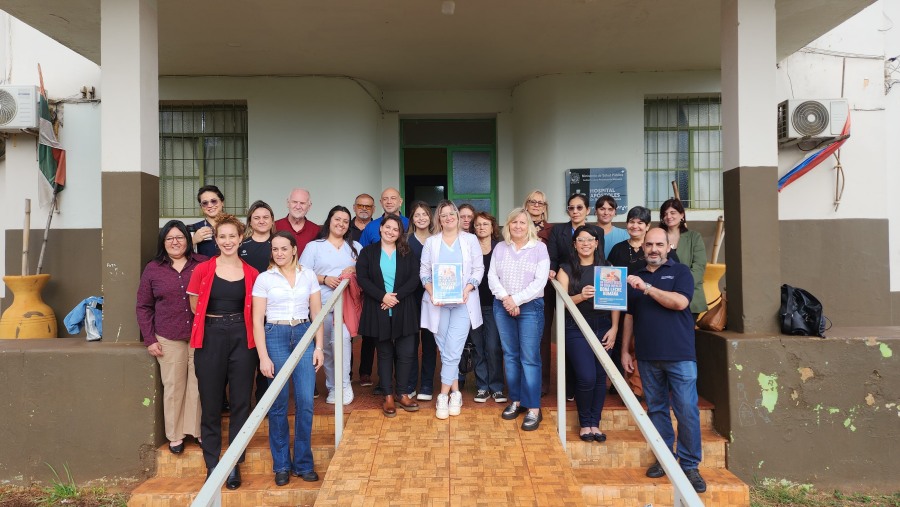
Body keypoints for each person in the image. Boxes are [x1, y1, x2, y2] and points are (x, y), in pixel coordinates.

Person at [621, 227, 706, 494]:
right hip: (647, 356)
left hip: (679, 356)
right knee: (656, 409)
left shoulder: (680, 272)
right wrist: (625, 350)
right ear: (643, 247)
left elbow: (680, 303)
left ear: (669, 247)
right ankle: (664, 457)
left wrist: (647, 288)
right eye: (649, 245)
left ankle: (690, 465)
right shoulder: (636, 276)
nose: (654, 249)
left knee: (687, 410)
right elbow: (630, 316)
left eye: (659, 244)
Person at [187, 214, 259, 490]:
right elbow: (196, 307)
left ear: (241, 239)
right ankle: (213, 465)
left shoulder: (252, 273)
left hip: (243, 336)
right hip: (211, 336)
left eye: (232, 236)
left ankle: (233, 465)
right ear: (216, 240)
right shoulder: (203, 270)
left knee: (241, 402)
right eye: (222, 236)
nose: (227, 241)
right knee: (212, 403)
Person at [251, 231, 324, 486]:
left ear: (294, 249)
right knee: (278, 403)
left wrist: (319, 346)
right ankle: (281, 464)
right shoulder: (264, 279)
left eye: (284, 248)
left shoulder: (309, 275)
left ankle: (303, 463)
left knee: (305, 401)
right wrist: (263, 356)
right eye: (275, 249)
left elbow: (317, 313)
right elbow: (257, 322)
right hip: (275, 335)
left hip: (303, 332)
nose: (279, 253)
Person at [136, 220, 206, 456]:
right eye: (170, 238)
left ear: (188, 240)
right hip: (168, 336)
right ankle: (175, 436)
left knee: (199, 385)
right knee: (174, 386)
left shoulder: (203, 264)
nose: (175, 242)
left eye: (180, 237)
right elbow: (144, 306)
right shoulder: (153, 269)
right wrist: (150, 339)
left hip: (200, 335)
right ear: (163, 243)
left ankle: (196, 431)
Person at [420, 200, 484, 420]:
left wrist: (468, 288)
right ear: (438, 219)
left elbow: (478, 268)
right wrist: (432, 292)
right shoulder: (431, 242)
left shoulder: (470, 240)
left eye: (452, 214)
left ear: (458, 217)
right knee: (448, 351)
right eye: (443, 215)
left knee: (453, 348)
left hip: (463, 303)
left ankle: (442, 395)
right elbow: (424, 272)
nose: (448, 218)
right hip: (437, 304)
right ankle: (456, 393)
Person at [488, 207, 549, 430]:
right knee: (510, 355)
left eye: (523, 223)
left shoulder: (539, 248)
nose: (518, 226)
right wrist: (507, 299)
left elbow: (540, 282)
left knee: (529, 358)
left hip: (530, 307)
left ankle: (533, 408)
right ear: (508, 225)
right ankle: (516, 401)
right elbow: (492, 276)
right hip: (503, 305)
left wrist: (517, 300)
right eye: (514, 222)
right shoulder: (500, 248)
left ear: (529, 226)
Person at [556, 225, 618, 442]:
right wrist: (581, 296)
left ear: (596, 243)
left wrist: (615, 328)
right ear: (574, 244)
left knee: (601, 377)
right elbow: (561, 304)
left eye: (589, 239)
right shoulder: (566, 269)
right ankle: (584, 424)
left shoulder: (607, 267)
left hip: (604, 326)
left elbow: (615, 303)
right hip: (576, 327)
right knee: (586, 376)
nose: (585, 244)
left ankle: (595, 423)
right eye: (580, 240)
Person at [357, 215, 422, 417]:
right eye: (388, 227)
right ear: (380, 228)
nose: (391, 231)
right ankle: (387, 396)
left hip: (404, 307)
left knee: (406, 354)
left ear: (400, 233)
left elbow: (415, 278)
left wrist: (395, 297)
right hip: (378, 308)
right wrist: (382, 296)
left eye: (396, 229)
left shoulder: (407, 252)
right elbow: (363, 278)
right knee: (384, 354)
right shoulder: (368, 252)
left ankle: (402, 394)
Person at [299, 205, 361, 405]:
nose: (341, 224)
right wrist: (324, 278)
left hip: (345, 306)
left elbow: (365, 276)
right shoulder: (314, 246)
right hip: (321, 304)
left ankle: (344, 384)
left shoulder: (355, 248)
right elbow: (303, 274)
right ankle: (332, 386)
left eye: (345, 221)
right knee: (325, 348)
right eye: (337, 219)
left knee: (341, 342)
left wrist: (353, 271)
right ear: (329, 221)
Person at [548, 193, 603, 401]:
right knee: (569, 340)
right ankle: (569, 386)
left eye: (580, 207)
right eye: (572, 208)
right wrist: (553, 271)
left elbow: (599, 258)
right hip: (567, 281)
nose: (576, 211)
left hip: (591, 288)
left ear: (587, 210)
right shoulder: (558, 230)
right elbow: (552, 256)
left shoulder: (596, 232)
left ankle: (582, 387)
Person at [471, 211, 505, 403]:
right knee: (478, 346)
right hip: (473, 304)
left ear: (493, 228)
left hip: (494, 305)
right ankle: (482, 386)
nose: (481, 227)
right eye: (478, 224)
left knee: (493, 346)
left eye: (485, 224)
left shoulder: (500, 249)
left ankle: (497, 387)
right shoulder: (469, 248)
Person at [524, 190, 555, 396]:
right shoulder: (518, 225)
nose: (536, 205)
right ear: (526, 204)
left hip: (545, 291)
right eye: (533, 202)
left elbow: (556, 256)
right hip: (519, 289)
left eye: (540, 203)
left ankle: (542, 383)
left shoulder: (553, 230)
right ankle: (523, 381)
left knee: (542, 337)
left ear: (545, 207)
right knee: (523, 338)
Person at [406, 201, 437, 400]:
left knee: (429, 342)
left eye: (425, 214)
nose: (421, 218)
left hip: (432, 297)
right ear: (412, 219)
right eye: (417, 215)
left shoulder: (438, 240)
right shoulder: (405, 241)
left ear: (430, 217)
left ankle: (426, 384)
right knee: (409, 343)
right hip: (409, 297)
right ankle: (409, 383)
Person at [659, 198, 708, 318]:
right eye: (665, 214)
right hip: (662, 295)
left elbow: (699, 266)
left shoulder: (694, 237)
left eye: (672, 213)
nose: (668, 216)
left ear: (682, 215)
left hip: (690, 296)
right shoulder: (657, 236)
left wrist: (681, 286)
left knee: (686, 335)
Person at [274, 188, 320, 255]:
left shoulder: (316, 230)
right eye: (294, 202)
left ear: (309, 206)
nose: (298, 207)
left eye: (302, 203)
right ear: (288, 203)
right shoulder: (274, 226)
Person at [240, 200, 276, 273]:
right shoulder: (241, 245)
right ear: (250, 222)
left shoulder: (279, 244)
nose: (261, 221)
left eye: (265, 217)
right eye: (257, 218)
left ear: (272, 220)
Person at [190, 185, 225, 257]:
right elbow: (181, 255)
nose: (210, 205)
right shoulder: (193, 229)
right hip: (205, 267)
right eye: (205, 203)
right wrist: (193, 241)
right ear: (201, 207)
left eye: (214, 201)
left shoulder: (236, 226)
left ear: (222, 202)